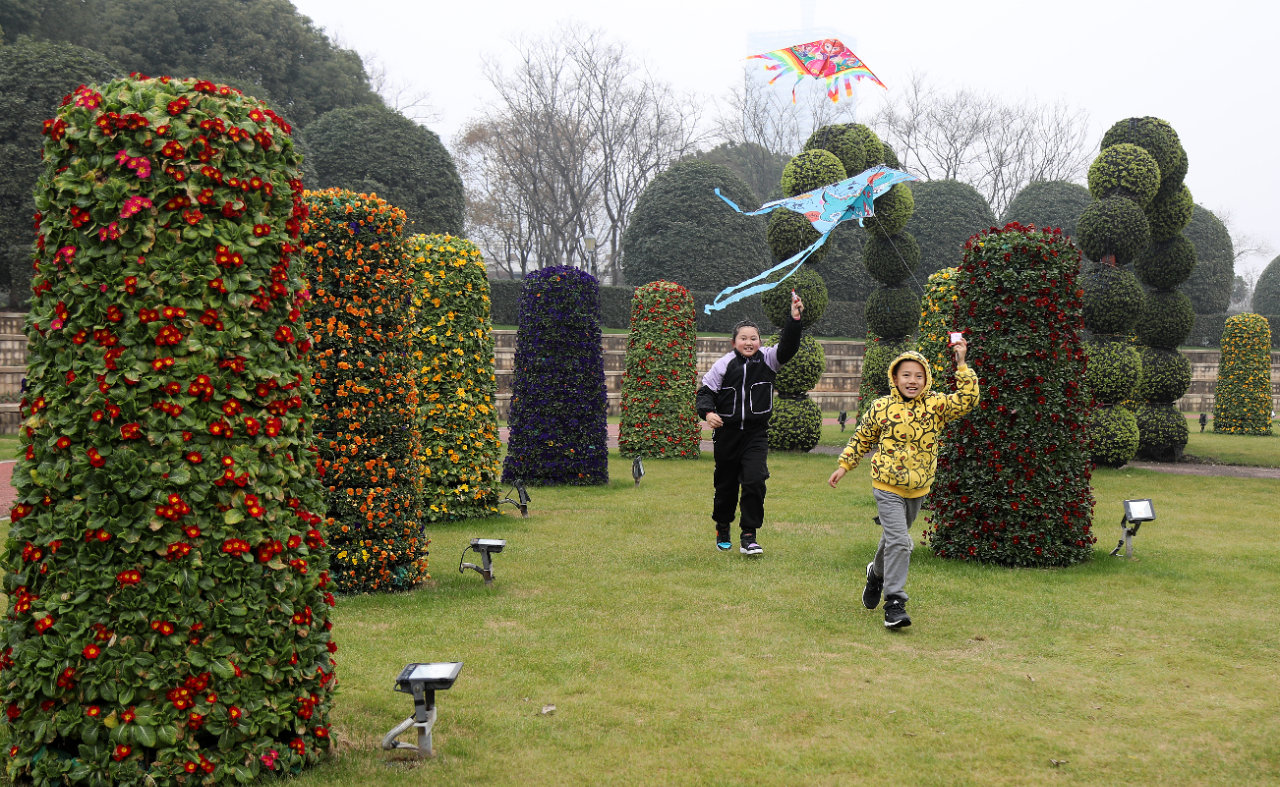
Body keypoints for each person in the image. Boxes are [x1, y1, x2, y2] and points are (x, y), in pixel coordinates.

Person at [827, 338, 979, 629]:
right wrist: (844, 465)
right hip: (886, 485)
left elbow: (967, 400)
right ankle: (894, 603)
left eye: (919, 375)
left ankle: (876, 574)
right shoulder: (881, 406)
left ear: (927, 379)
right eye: (906, 375)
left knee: (892, 540)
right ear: (894, 378)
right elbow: (862, 438)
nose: (912, 381)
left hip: (918, 489)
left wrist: (961, 364)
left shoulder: (936, 405)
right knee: (901, 542)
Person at [696, 293, 805, 556]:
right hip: (727, 435)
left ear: (760, 341)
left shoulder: (769, 359)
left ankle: (749, 535)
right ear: (734, 342)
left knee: (755, 481)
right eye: (743, 338)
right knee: (726, 486)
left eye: (753, 338)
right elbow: (705, 393)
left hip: (756, 434)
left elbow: (788, 346)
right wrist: (708, 413)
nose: (748, 342)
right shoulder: (724, 364)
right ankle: (722, 526)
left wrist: (795, 319)